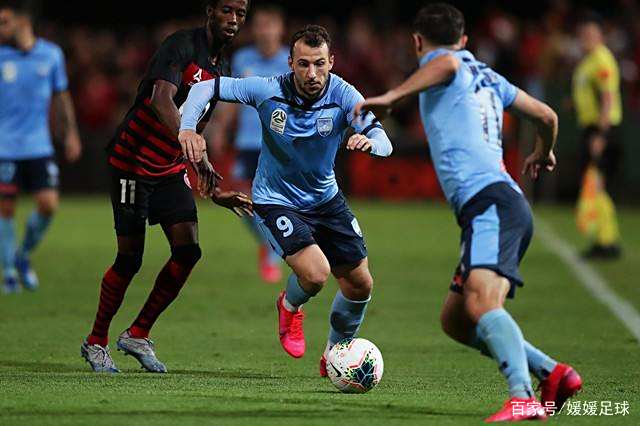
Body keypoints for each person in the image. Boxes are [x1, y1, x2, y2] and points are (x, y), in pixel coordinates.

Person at [355, 4, 581, 422]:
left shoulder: (448, 63)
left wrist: (391, 97)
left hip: (490, 203)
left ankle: (522, 396)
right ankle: (554, 374)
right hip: (495, 205)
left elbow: (446, 65)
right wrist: (543, 149)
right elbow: (547, 116)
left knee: (482, 302)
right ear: (464, 39)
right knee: (456, 320)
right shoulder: (491, 77)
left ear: (417, 42)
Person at [180, 25, 392, 372]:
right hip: (276, 199)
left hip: (326, 199)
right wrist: (187, 128)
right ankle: (290, 307)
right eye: (304, 64)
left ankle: (335, 354)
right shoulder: (267, 89)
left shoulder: (345, 95)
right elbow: (204, 87)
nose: (313, 73)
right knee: (316, 274)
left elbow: (383, 139)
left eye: (320, 64)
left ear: (331, 62)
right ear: (290, 63)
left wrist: (371, 143)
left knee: (360, 284)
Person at [81, 0, 252, 374]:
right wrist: (189, 140)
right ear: (209, 11)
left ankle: (138, 333)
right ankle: (96, 342)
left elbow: (197, 124)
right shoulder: (181, 45)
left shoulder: (222, 67)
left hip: (168, 167)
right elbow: (161, 99)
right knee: (130, 260)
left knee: (188, 251)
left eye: (240, 13)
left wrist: (207, 175)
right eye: (226, 10)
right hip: (132, 162)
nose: (233, 19)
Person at [0, 0, 82, 294]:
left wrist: (70, 133)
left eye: (4, 22)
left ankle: (22, 255)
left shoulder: (51, 55)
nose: (1, 28)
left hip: (39, 145)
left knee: (48, 205)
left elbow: (61, 96)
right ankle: (9, 272)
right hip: (5, 147)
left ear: (23, 22)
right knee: (6, 209)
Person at [211, 4, 289, 283]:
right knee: (242, 200)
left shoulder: (291, 60)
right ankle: (269, 244)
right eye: (260, 25)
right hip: (247, 142)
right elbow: (232, 99)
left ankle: (273, 252)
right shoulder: (243, 58)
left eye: (270, 25)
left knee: (276, 201)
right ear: (254, 29)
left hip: (280, 144)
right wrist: (220, 129)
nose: (265, 31)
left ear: (280, 28)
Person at [572, 15, 622, 259]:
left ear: (601, 36)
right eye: (583, 35)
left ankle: (607, 242)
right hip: (591, 128)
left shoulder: (601, 59)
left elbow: (608, 99)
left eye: (591, 34)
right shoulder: (589, 61)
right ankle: (604, 239)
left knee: (597, 184)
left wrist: (601, 135)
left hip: (601, 130)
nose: (586, 39)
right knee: (595, 185)